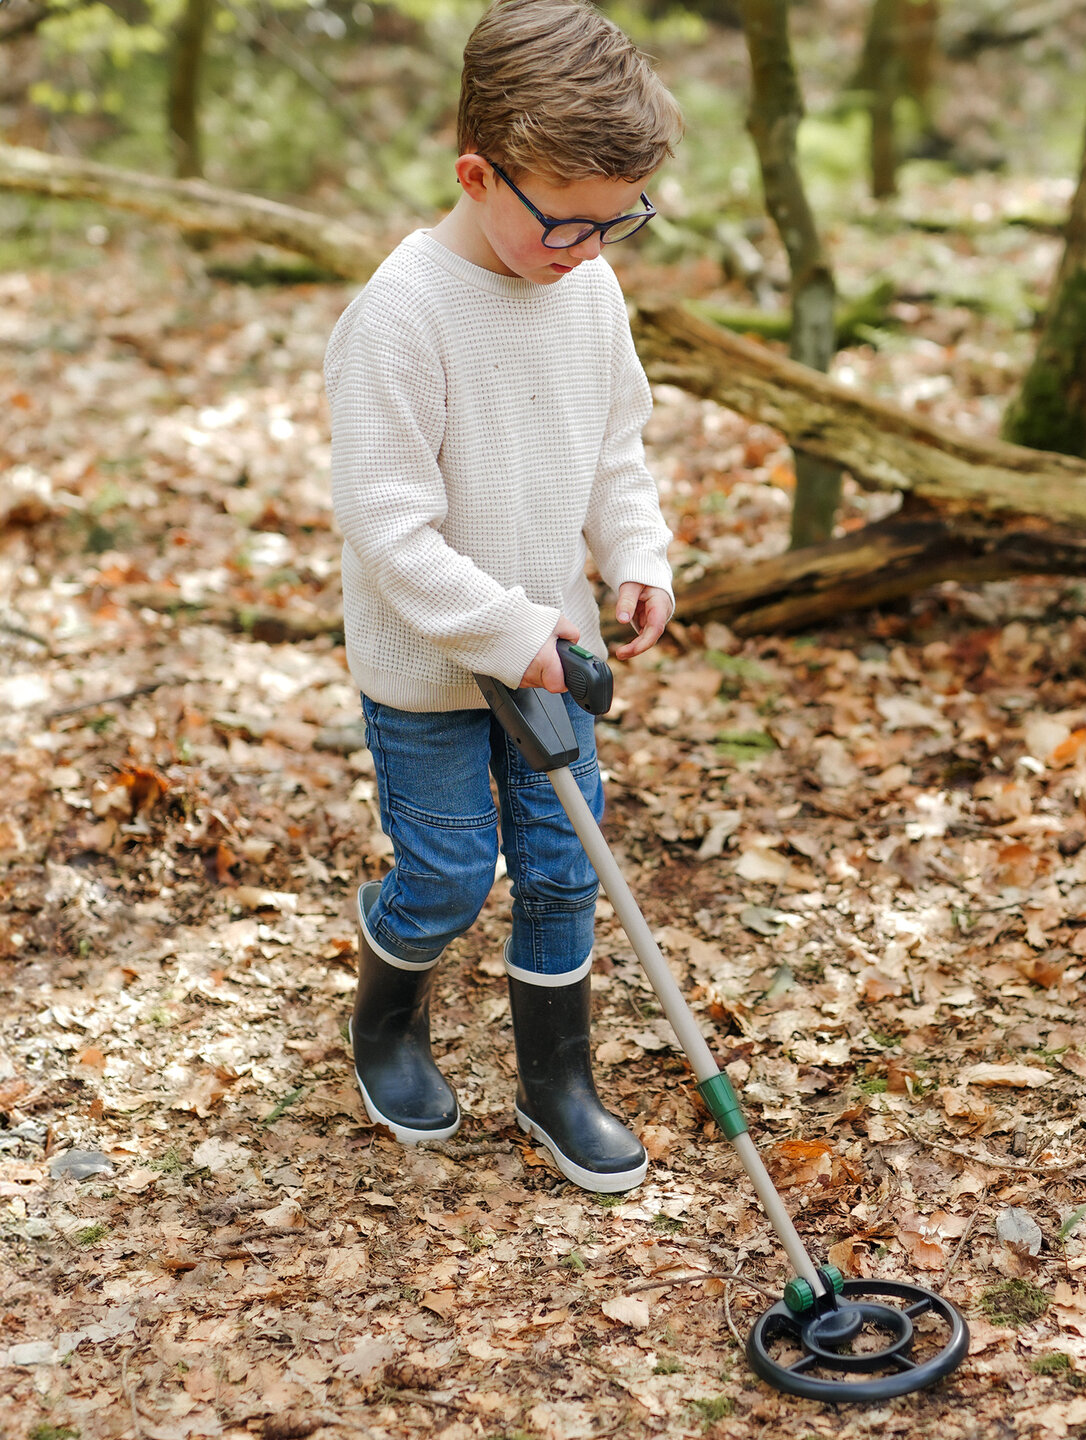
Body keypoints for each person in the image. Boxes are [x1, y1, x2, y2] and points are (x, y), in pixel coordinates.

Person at [324, 0, 682, 1193]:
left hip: (556, 654)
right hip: (432, 665)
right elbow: (391, 533)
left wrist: (635, 556)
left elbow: (613, 448)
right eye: (568, 221)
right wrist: (515, 631)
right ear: (477, 173)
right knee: (448, 872)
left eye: (616, 221)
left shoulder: (588, 286)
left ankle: (557, 1083)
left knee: (563, 867)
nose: (590, 247)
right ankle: (384, 1024)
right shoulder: (399, 317)